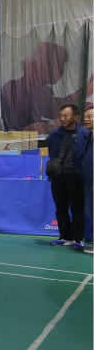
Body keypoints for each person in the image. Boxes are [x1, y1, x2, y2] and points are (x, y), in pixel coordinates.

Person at [47, 104, 89, 249]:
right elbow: (51, 152)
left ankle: (78, 238)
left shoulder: (85, 134)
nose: (62, 118)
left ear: (75, 117)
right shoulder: (54, 134)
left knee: (77, 209)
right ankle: (65, 236)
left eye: (66, 116)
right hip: (58, 178)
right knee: (61, 208)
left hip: (77, 178)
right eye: (61, 116)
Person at [82, 106, 93, 253]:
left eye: (90, 116)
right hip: (89, 182)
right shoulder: (88, 138)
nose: (86, 119)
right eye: (85, 117)